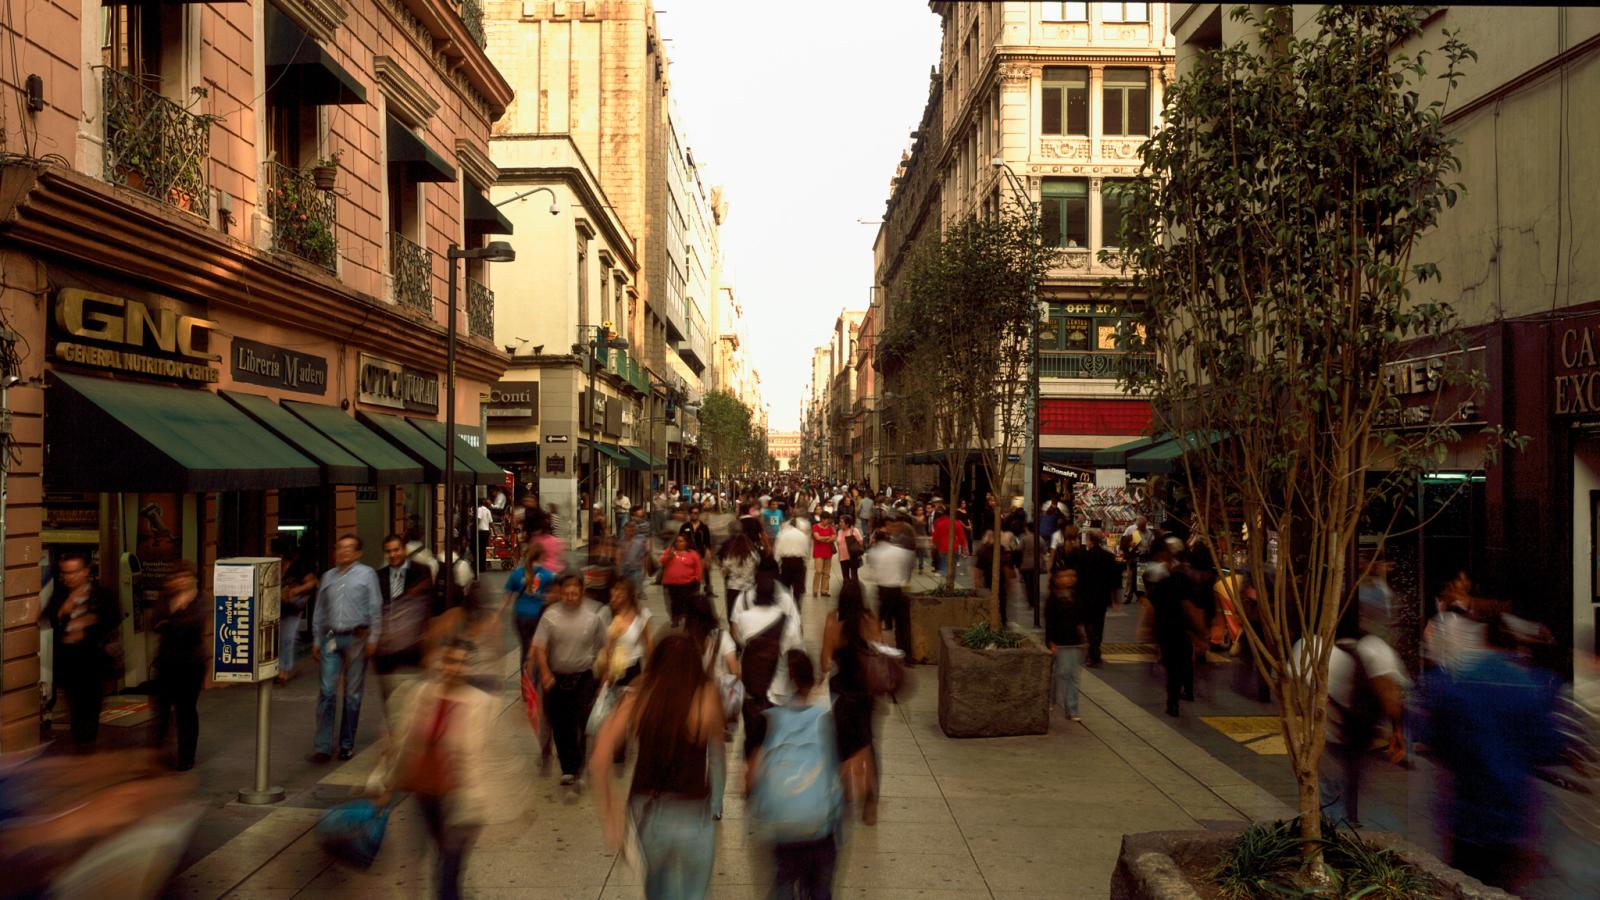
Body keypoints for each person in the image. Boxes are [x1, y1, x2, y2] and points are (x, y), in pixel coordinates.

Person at [1420, 609, 1559, 893]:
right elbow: (1548, 747)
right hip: (1513, 817)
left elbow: (1434, 743)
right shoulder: (1527, 685)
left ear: (1480, 637)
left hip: (1465, 816)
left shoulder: (1451, 684)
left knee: (1465, 886)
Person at [590, 634, 724, 900]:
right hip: (693, 811)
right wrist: (716, 803)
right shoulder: (706, 697)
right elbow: (718, 757)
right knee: (695, 893)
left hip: (648, 812)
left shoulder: (638, 697)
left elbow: (599, 758)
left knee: (657, 888)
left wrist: (610, 813)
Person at [370, 638, 493, 900]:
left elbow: (481, 757)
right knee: (441, 857)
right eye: (451, 661)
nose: (456, 668)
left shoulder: (480, 702)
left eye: (462, 663)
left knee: (449, 868)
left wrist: (478, 803)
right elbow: (403, 743)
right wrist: (388, 787)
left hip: (461, 797)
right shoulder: (422, 693)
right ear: (442, 662)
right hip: (426, 791)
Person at [750, 649, 842, 899]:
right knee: (820, 888)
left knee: (784, 880)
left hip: (784, 824)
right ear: (810, 679)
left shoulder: (768, 721)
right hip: (819, 825)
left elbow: (752, 777)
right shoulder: (826, 717)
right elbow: (838, 772)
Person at [310, 535, 383, 762]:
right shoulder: (328, 577)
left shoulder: (367, 574)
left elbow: (375, 607)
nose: (343, 552)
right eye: (340, 548)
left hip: (357, 638)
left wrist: (374, 639)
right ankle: (322, 747)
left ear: (358, 553)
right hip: (331, 637)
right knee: (327, 692)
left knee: (352, 694)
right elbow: (320, 610)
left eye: (349, 549)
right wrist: (315, 639)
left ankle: (346, 744)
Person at [531, 574, 606, 785]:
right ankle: (568, 768)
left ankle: (581, 764)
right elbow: (540, 648)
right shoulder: (550, 616)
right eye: (566, 593)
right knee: (560, 723)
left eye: (574, 593)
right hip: (555, 678)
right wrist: (545, 672)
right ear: (561, 593)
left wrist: (603, 677)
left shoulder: (593, 617)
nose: (570, 597)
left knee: (583, 722)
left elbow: (603, 647)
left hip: (583, 677)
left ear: (582, 593)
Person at [41, 553, 121, 750]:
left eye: (74, 572)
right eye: (65, 572)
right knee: (76, 710)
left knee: (90, 710)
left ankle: (87, 747)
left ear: (85, 571)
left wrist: (91, 622)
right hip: (69, 665)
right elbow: (46, 619)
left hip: (94, 664)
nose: (69, 577)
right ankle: (82, 746)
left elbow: (113, 619)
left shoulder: (101, 595)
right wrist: (63, 611)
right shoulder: (60, 595)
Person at [820, 581, 883, 826]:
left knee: (842, 745)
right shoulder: (871, 622)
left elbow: (825, 664)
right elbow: (881, 652)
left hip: (842, 694)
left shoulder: (834, 623)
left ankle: (844, 798)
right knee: (867, 743)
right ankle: (871, 799)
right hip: (866, 694)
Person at [731, 562, 804, 759]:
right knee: (775, 743)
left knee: (753, 741)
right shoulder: (786, 615)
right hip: (778, 691)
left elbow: (736, 634)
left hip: (752, 691)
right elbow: (796, 649)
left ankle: (751, 776)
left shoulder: (744, 610)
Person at [151, 561, 206, 770]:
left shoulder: (201, 600)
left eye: (184, 577)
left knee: (186, 710)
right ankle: (158, 750)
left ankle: (186, 757)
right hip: (166, 661)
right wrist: (172, 622)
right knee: (161, 707)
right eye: (176, 577)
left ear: (193, 578)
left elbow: (192, 626)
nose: (179, 581)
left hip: (191, 663)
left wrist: (170, 622)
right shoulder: (165, 599)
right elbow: (154, 623)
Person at [374, 534, 436, 693]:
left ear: (404, 550)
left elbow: (429, 606)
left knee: (414, 694)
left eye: (396, 550)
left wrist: (428, 642)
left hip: (414, 645)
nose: (393, 555)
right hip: (386, 648)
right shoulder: (378, 576)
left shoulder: (421, 571)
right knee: (389, 696)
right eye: (388, 551)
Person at [1146, 538, 1195, 718]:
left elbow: (1152, 606)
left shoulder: (1162, 581)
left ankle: (1173, 700)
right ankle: (1180, 695)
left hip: (1166, 629)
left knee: (1172, 667)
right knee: (1180, 664)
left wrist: (1149, 630)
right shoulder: (1179, 580)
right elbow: (1189, 606)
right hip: (1178, 629)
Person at [866, 521, 916, 662]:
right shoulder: (899, 551)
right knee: (902, 624)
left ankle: (876, 647)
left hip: (882, 590)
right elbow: (911, 560)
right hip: (897, 590)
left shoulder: (873, 553)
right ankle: (907, 654)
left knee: (877, 621)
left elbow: (872, 572)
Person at [1044, 569, 1087, 722]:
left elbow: (1081, 619)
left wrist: (1084, 639)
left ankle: (1072, 709)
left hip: (1074, 641)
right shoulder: (1053, 599)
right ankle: (1051, 699)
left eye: (1071, 575)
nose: (1068, 579)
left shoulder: (1077, 596)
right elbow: (1049, 623)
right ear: (1056, 579)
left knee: (1072, 676)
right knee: (1058, 673)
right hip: (1059, 641)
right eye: (1064, 576)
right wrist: (1050, 642)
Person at [599, 579, 654, 691]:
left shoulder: (641, 614)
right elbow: (605, 646)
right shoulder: (606, 613)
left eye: (620, 590)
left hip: (632, 669)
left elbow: (649, 644)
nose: (615, 593)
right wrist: (606, 673)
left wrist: (651, 671)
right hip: (610, 670)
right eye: (613, 589)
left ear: (628, 594)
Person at [276, 546, 318, 684]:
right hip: (277, 607)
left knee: (288, 638)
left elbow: (313, 582)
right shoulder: (274, 568)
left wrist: (296, 591)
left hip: (292, 607)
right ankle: (285, 667)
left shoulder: (297, 567)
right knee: (285, 637)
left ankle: (284, 671)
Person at [660, 533, 704, 627]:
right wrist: (669, 556)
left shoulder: (693, 554)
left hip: (688, 584)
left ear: (686, 543)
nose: (678, 543)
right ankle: (675, 619)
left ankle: (688, 620)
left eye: (681, 541)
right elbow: (662, 561)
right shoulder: (670, 551)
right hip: (672, 584)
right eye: (677, 541)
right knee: (674, 603)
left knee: (688, 603)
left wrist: (697, 579)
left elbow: (698, 568)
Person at [716, 531, 759, 624]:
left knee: (732, 612)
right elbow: (756, 569)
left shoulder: (730, 556)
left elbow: (724, 572)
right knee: (747, 610)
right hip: (748, 588)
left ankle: (733, 629)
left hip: (733, 587)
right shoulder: (753, 555)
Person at [774, 518, 811, 611]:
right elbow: (806, 551)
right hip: (798, 562)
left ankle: (785, 605)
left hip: (786, 562)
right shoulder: (802, 535)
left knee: (785, 585)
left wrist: (777, 563)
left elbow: (777, 550)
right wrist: (805, 563)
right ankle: (796, 605)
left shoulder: (782, 534)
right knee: (797, 586)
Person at [680, 506, 714, 597]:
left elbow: (707, 541)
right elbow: (680, 539)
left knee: (705, 571)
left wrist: (708, 553)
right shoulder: (685, 526)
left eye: (696, 513)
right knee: (689, 571)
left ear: (699, 514)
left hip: (700, 552)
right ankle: (691, 589)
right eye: (692, 513)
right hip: (688, 553)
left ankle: (708, 590)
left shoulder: (704, 527)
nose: (694, 515)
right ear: (689, 514)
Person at [810, 512, 837, 597]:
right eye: (826, 519)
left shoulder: (830, 527)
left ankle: (824, 591)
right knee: (818, 571)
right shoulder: (815, 527)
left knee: (827, 573)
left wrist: (824, 538)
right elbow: (817, 537)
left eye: (829, 519)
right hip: (818, 552)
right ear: (822, 519)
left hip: (828, 552)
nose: (828, 521)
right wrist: (827, 538)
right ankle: (815, 590)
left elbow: (834, 537)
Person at [836, 514, 865, 584]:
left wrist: (859, 554)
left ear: (847, 524)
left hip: (853, 557)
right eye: (840, 522)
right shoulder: (839, 532)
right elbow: (839, 544)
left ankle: (855, 593)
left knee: (854, 577)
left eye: (842, 522)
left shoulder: (854, 530)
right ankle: (846, 592)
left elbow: (861, 542)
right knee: (845, 578)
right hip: (843, 558)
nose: (840, 523)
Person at [476, 497, 494, 574]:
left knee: (479, 549)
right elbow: (491, 522)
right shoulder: (488, 510)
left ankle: (480, 567)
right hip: (486, 531)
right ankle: (483, 567)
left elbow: (478, 519)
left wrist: (474, 526)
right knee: (483, 549)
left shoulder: (479, 509)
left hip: (480, 531)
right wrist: (495, 531)